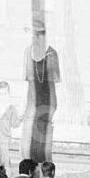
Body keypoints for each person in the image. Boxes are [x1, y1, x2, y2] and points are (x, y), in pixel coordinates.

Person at [21, 15, 61, 163]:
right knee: (29, 142)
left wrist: (54, 110)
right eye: (31, 34)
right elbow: (27, 83)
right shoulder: (27, 52)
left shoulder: (51, 54)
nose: (33, 37)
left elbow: (55, 85)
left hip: (46, 105)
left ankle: (45, 174)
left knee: (43, 143)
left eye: (37, 34)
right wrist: (23, 106)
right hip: (32, 104)